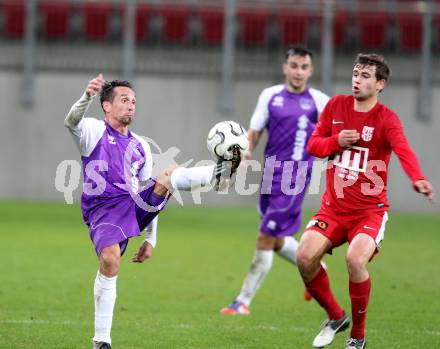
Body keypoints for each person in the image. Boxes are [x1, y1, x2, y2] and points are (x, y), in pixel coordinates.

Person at [64, 75, 236, 349]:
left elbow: (149, 193)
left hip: (132, 206)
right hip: (103, 210)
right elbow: (71, 121)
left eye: (133, 101)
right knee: (110, 261)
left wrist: (150, 238)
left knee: (167, 175)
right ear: (106, 106)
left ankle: (218, 174)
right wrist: (86, 96)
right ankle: (102, 340)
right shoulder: (93, 131)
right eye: (124, 100)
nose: (131, 105)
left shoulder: (141, 146)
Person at [295, 54, 434, 349]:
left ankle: (357, 337)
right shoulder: (336, 106)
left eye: (366, 75)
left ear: (380, 84)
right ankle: (335, 316)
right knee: (304, 257)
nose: (357, 79)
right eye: (356, 73)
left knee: (355, 260)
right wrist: (336, 142)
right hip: (332, 209)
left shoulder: (386, 119)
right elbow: (313, 145)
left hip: (369, 212)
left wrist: (417, 177)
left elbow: (403, 149)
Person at [220, 46, 330, 315]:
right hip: (270, 176)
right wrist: (244, 156)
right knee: (277, 238)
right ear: (285, 67)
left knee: (265, 237)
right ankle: (316, 267)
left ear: (311, 71)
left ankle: (242, 301)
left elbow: (332, 136)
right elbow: (254, 131)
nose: (298, 72)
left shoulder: (319, 102)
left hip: (296, 179)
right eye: (294, 65)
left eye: (304, 67)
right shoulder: (269, 96)